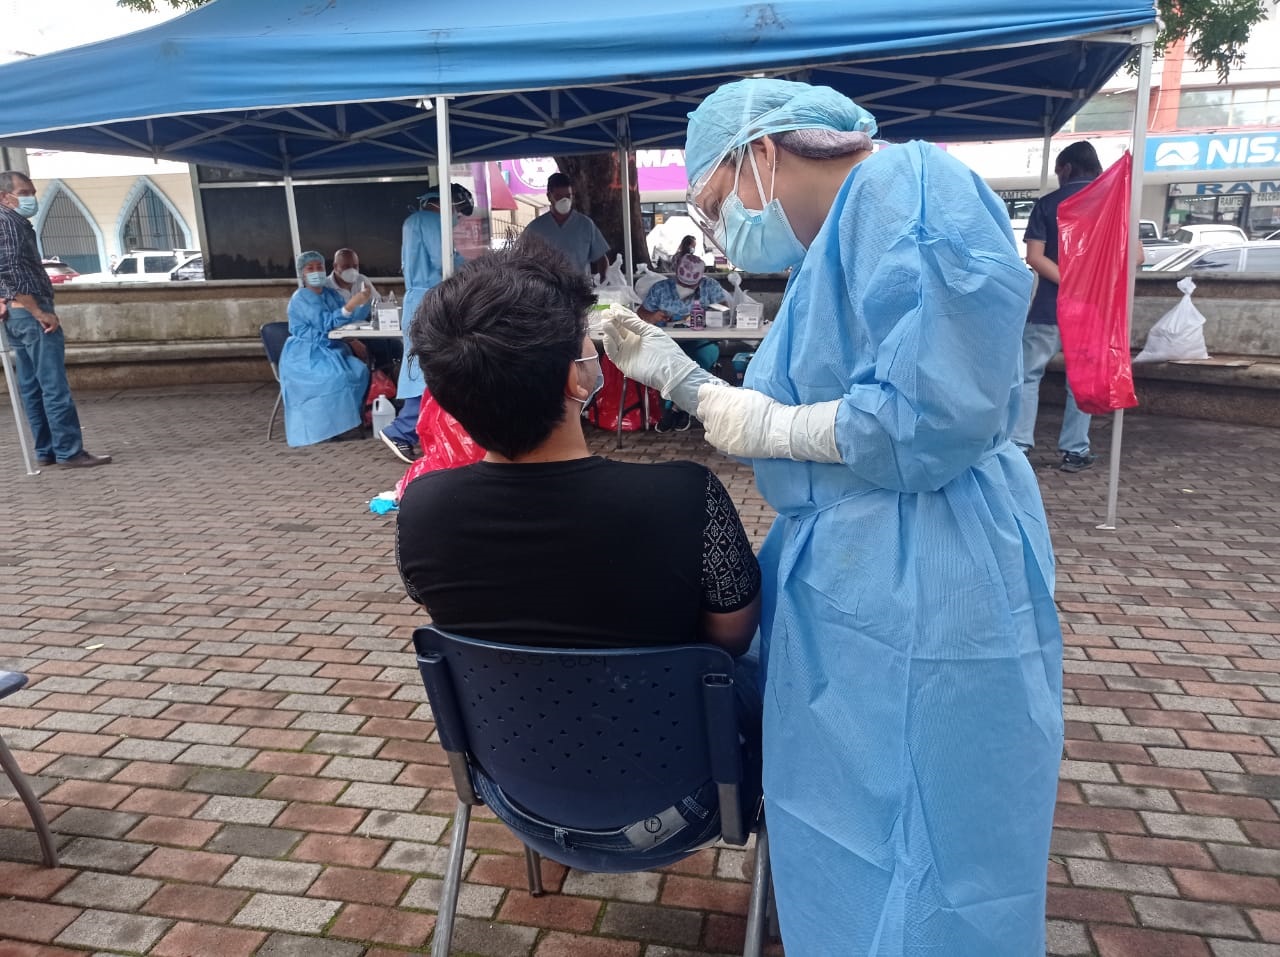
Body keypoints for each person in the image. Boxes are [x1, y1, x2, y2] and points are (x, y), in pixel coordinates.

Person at [602, 78, 1062, 957]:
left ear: (763, 154)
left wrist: (754, 419)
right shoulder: (830, 251)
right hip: (852, 573)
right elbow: (824, 408)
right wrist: (685, 380)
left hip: (925, 562)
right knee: (848, 825)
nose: (724, 221)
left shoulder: (907, 188)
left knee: (935, 829)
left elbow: (930, 415)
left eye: (717, 196)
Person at [397, 241, 762, 866]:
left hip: (515, 796)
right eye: (587, 344)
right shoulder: (684, 496)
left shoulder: (422, 510)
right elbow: (730, 638)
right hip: (687, 802)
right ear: (577, 377)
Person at [0, 170, 111, 469]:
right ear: (4, 197)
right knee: (52, 384)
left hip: (15, 313)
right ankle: (68, 450)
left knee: (32, 385)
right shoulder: (9, 224)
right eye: (24, 192)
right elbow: (10, 268)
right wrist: (38, 311)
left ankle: (47, 449)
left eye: (31, 191)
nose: (30, 198)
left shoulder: (13, 224)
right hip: (29, 311)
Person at [1011, 140, 1102, 472]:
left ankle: (1019, 446)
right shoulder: (1115, 203)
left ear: (1065, 168)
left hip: (1050, 308)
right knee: (1081, 381)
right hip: (1094, 310)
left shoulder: (1048, 204)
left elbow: (1034, 257)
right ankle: (1076, 450)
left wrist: (1070, 282)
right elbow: (1135, 256)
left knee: (1027, 376)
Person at [380, 183, 474, 464]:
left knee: (427, 367)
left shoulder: (414, 222)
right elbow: (444, 261)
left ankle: (420, 429)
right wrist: (476, 267)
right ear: (450, 204)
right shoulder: (430, 221)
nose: (458, 218)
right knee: (430, 368)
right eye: (458, 211)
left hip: (423, 300)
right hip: (429, 302)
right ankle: (402, 430)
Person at [279, 250, 370, 447]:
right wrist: (350, 305)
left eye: (319, 267)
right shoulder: (301, 297)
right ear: (302, 273)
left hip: (332, 349)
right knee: (335, 378)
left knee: (360, 370)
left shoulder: (329, 294)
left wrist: (361, 303)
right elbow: (326, 323)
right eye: (310, 268)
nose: (316, 271)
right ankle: (323, 429)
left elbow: (348, 318)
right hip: (305, 354)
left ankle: (344, 424)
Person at [636, 252, 727, 432]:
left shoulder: (710, 286)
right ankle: (682, 408)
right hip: (667, 344)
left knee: (691, 362)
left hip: (704, 343)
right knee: (675, 361)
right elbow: (640, 314)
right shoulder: (661, 289)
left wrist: (708, 316)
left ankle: (674, 408)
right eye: (682, 282)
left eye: (692, 283)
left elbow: (725, 312)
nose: (686, 286)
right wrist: (653, 316)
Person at [520, 172, 609, 281]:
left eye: (568, 196)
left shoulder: (585, 225)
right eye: (558, 196)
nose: (564, 201)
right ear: (549, 196)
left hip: (579, 290)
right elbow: (520, 259)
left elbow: (601, 257)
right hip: (546, 291)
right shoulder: (535, 228)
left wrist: (604, 280)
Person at [326, 247, 397, 374]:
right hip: (340, 338)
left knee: (392, 345)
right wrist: (351, 340)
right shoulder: (326, 287)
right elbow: (328, 323)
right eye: (346, 266)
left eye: (355, 266)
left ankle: (386, 383)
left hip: (364, 332)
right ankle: (372, 383)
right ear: (335, 266)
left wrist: (385, 304)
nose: (352, 270)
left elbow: (378, 305)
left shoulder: (361, 280)